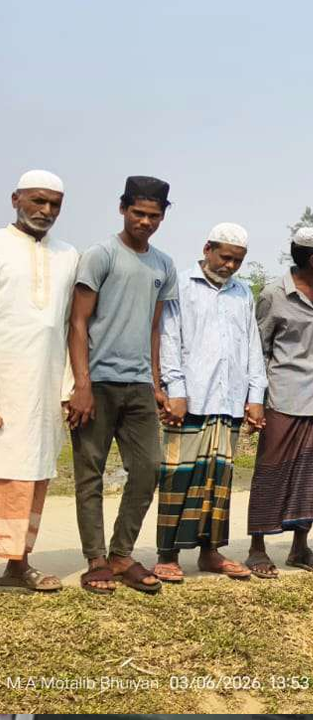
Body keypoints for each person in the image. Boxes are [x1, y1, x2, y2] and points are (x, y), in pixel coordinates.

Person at [67, 176, 177, 595]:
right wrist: (82, 383)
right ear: (122, 209)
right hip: (96, 383)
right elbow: (77, 322)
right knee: (89, 473)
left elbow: (153, 328)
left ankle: (121, 554)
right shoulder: (101, 255)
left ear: (164, 216)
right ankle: (95, 558)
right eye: (138, 213)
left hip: (138, 387)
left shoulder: (163, 265)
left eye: (154, 215)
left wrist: (156, 381)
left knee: (148, 468)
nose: (145, 222)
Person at [153, 222, 266, 582]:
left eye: (238, 260)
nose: (230, 266)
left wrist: (255, 396)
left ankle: (210, 552)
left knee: (219, 480)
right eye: (225, 257)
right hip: (189, 399)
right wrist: (175, 390)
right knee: (179, 476)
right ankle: (167, 554)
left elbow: (252, 346)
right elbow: (170, 339)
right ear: (207, 249)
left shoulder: (242, 293)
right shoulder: (181, 286)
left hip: (229, 400)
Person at [245, 227, 313, 578]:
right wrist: (255, 400)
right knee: (272, 472)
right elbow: (258, 349)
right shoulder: (274, 294)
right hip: (283, 398)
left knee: (308, 475)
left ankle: (300, 547)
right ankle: (257, 548)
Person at [0, 170, 77, 593]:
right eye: (38, 201)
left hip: (44, 388)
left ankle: (18, 564)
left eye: (55, 204)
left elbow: (70, 326)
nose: (46, 211)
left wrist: (70, 388)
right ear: (16, 198)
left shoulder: (68, 255)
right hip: (4, 384)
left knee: (31, 475)